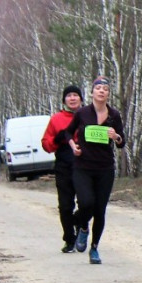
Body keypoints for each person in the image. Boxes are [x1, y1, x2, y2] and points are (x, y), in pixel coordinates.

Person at [64, 76, 126, 264]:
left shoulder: (114, 115)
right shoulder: (82, 113)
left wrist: (115, 136)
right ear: (92, 92)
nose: (101, 91)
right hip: (83, 167)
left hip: (105, 168)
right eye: (98, 88)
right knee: (86, 202)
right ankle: (83, 227)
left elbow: (122, 142)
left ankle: (94, 248)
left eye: (105, 89)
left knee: (100, 210)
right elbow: (67, 132)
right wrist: (73, 146)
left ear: (108, 94)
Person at [41, 85, 83, 252]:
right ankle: (69, 239)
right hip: (64, 164)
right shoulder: (56, 119)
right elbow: (46, 144)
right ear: (64, 99)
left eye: (76, 95)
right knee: (65, 205)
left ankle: (80, 228)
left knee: (87, 203)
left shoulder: (89, 115)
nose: (72, 98)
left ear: (81, 99)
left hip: (85, 163)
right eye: (69, 96)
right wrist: (57, 140)